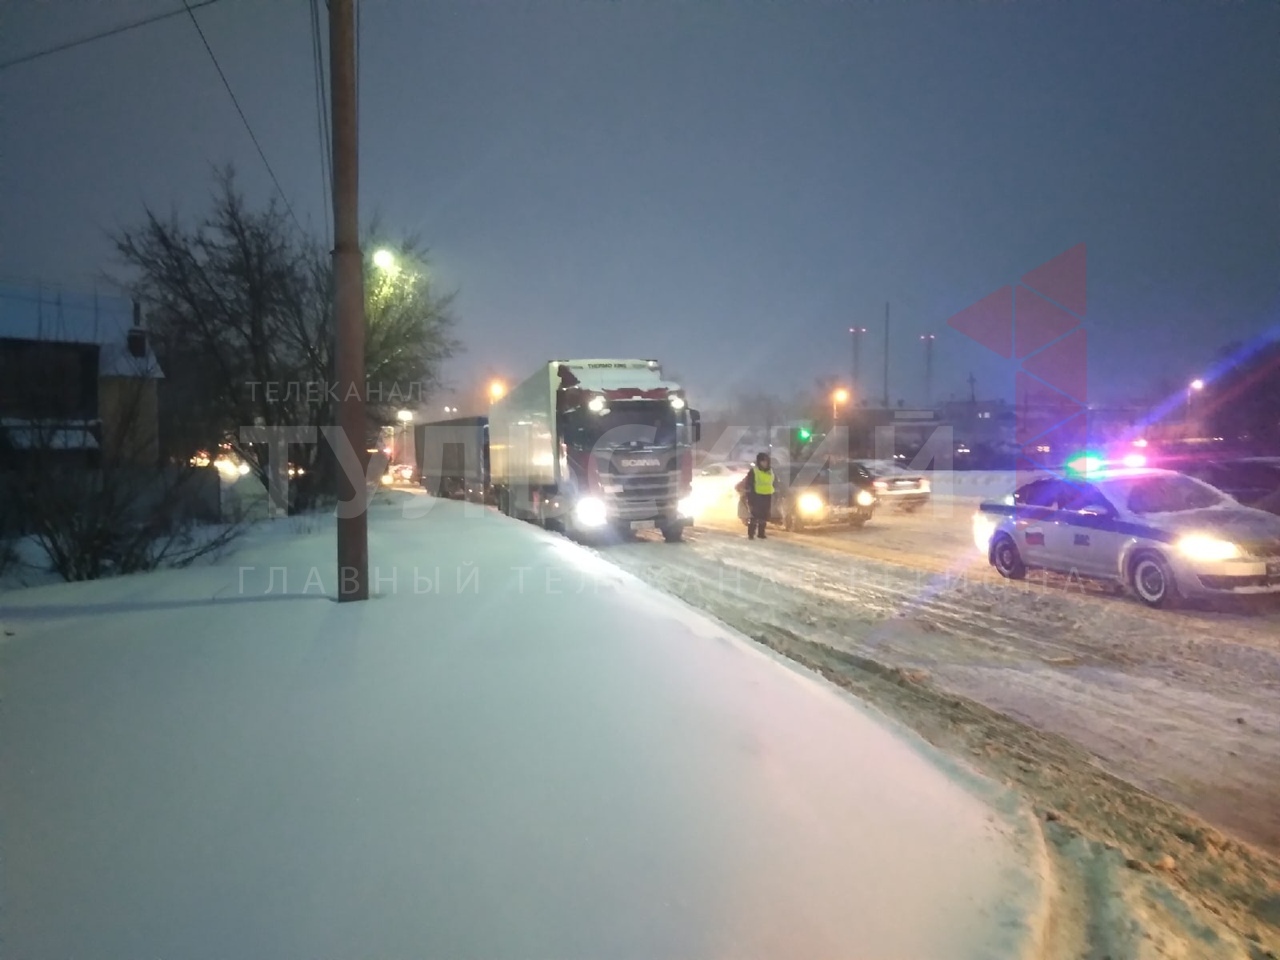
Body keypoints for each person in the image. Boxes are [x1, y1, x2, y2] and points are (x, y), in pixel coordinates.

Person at [736, 451, 776, 540]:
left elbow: (774, 482)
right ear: (759, 462)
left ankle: (761, 533)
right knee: (754, 515)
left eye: (766, 461)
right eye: (763, 461)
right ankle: (751, 533)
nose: (765, 463)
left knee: (764, 515)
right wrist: (750, 497)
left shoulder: (770, 471)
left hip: (767, 495)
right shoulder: (754, 471)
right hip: (756, 496)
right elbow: (749, 484)